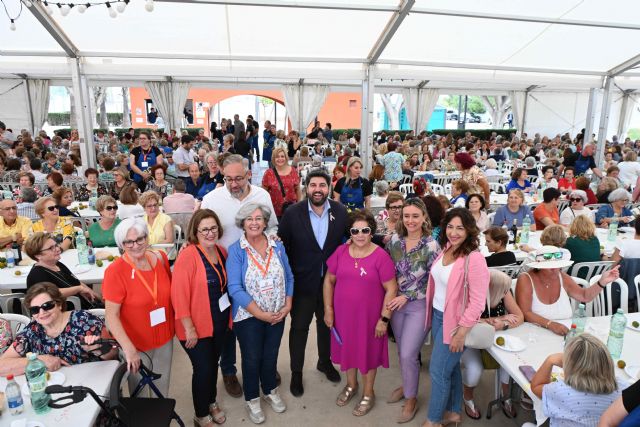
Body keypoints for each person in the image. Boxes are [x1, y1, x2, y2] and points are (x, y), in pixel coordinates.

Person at [201, 154, 278, 398]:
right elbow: (201, 231)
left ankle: (263, 367)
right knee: (227, 327)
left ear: (248, 175)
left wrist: (272, 239)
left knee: (257, 321)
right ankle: (229, 371)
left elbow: (273, 226)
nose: (233, 184)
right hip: (222, 272)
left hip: (259, 272)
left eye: (238, 178)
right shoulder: (212, 198)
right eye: (228, 179)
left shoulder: (262, 196)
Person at [278, 169, 348, 397]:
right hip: (302, 283)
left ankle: (324, 362)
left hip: (330, 283)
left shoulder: (340, 211)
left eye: (322, 185)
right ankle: (296, 372)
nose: (318, 189)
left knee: (326, 324)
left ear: (329, 188)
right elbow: (283, 247)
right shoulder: (292, 213)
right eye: (313, 185)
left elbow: (351, 240)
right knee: (299, 328)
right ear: (306, 188)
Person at [323, 209, 398, 417]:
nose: (360, 235)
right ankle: (351, 385)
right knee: (348, 349)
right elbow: (329, 281)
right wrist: (328, 309)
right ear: (350, 233)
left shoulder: (381, 256)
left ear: (371, 231)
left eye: (365, 230)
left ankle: (368, 392)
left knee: (368, 354)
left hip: (370, 318)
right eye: (355, 231)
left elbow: (391, 289)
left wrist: (384, 319)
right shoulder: (340, 252)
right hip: (343, 316)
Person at [226, 203, 293, 424]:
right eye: (249, 219)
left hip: (278, 312)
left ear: (265, 222)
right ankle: (252, 398)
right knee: (252, 357)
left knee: (271, 354)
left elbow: (289, 277)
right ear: (242, 224)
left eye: (258, 218)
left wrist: (288, 304)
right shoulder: (237, 250)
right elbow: (234, 288)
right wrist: (260, 314)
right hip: (249, 317)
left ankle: (270, 390)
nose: (254, 222)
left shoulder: (277, 246)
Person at [423, 208, 490, 427]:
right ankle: (453, 413)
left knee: (438, 371)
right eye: (450, 226)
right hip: (437, 315)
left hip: (455, 323)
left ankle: (433, 420)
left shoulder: (475, 258)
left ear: (469, 230)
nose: (453, 232)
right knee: (449, 369)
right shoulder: (447, 248)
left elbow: (478, 302)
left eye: (460, 228)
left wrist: (461, 332)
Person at [103, 218, 175, 396]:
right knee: (140, 394)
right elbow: (111, 317)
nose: (135, 245)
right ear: (122, 244)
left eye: (140, 239)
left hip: (165, 337)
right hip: (136, 344)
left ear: (147, 238)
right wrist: (128, 349)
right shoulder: (115, 271)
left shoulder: (161, 258)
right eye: (128, 242)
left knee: (162, 388)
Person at [171, 209, 229, 426]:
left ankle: (211, 401)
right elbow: (178, 295)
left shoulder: (222, 252)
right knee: (203, 368)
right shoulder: (188, 255)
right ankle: (200, 414)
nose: (210, 233)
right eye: (204, 229)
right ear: (195, 231)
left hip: (219, 321)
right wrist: (189, 328)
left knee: (213, 364)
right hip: (193, 325)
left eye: (213, 228)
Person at [385, 198, 440, 423]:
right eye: (406, 216)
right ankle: (408, 386)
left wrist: (406, 296)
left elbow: (434, 281)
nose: (410, 220)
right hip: (396, 306)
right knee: (402, 353)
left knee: (408, 353)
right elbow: (387, 272)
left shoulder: (431, 246)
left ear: (424, 217)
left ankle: (411, 399)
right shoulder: (395, 241)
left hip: (418, 305)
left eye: (415, 216)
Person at [0, 283, 116, 376]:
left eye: (47, 306)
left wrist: (98, 349)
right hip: (53, 388)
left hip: (91, 381)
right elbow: (2, 365)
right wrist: (39, 360)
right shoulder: (32, 331)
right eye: (35, 310)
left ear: (59, 304)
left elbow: (113, 353)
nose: (42, 313)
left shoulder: (84, 320)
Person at [515, 246, 620, 336]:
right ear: (539, 267)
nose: (555, 269)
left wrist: (602, 282)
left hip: (564, 333)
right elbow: (525, 313)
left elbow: (585, 296)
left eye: (558, 265)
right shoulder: (526, 279)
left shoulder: (562, 277)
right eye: (550, 267)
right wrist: (550, 324)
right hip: (534, 335)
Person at [462, 270, 524, 420]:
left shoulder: (503, 288)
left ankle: (505, 395)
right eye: (503, 291)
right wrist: (502, 318)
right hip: (472, 341)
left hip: (497, 339)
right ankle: (467, 397)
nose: (505, 293)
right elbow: (465, 321)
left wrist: (502, 325)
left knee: (510, 362)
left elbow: (519, 316)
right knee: (474, 370)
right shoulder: (472, 292)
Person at [530, 334, 625, 426]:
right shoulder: (624, 391)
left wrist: (550, 360)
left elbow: (536, 386)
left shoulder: (560, 391)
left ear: (568, 365)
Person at [24, 232, 102, 309]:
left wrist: (99, 298)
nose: (58, 249)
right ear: (38, 255)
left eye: (56, 245)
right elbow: (48, 294)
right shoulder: (36, 275)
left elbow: (76, 282)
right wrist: (78, 289)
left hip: (86, 307)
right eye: (51, 248)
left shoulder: (57, 264)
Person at [262, 147, 301, 219]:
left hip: (291, 210)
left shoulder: (293, 171)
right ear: (273, 159)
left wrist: (299, 206)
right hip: (274, 213)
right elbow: (264, 193)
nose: (280, 159)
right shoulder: (269, 173)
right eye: (277, 157)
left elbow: (298, 190)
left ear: (286, 158)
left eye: (282, 156)